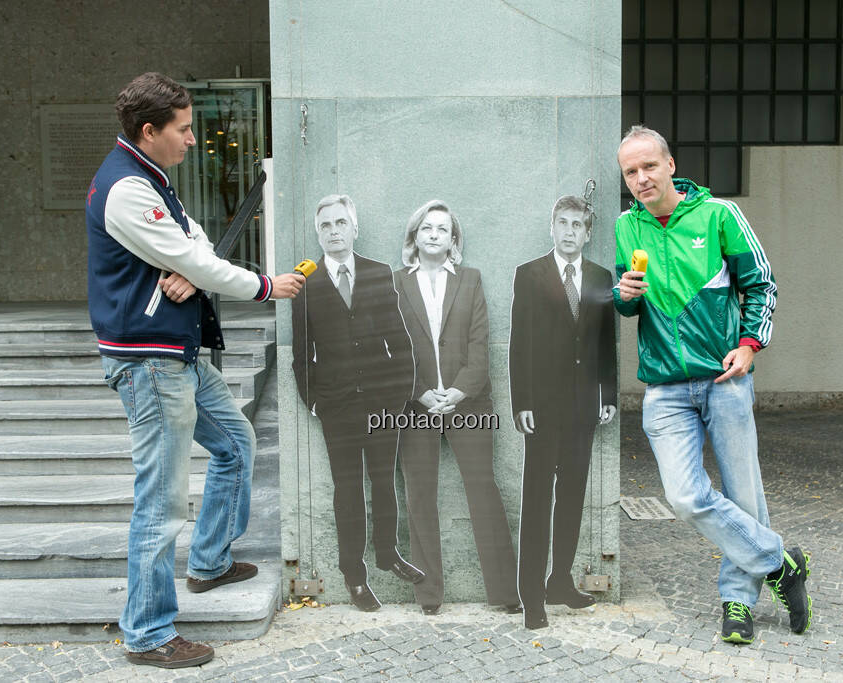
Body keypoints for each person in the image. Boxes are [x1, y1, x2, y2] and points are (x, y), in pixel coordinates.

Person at [86, 72, 305, 668]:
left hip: (176, 352)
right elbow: (191, 253)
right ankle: (149, 633)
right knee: (159, 503)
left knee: (236, 440)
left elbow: (194, 244)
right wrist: (263, 286)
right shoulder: (127, 189)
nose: (191, 140)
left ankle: (208, 561)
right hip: (151, 362)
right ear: (149, 131)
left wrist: (192, 267)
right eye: (183, 130)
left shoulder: (152, 181)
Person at [614, 125, 812, 645]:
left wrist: (749, 346)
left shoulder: (718, 215)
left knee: (743, 495)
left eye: (648, 166)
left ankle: (737, 603)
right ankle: (781, 562)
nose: (640, 178)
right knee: (683, 496)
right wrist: (624, 293)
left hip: (724, 379)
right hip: (664, 386)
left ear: (670, 165)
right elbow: (628, 303)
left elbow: (761, 283)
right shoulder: (625, 228)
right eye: (630, 172)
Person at [291, 194, 424, 612]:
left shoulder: (378, 273)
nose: (334, 231)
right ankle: (355, 574)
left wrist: (402, 392)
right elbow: (300, 352)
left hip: (384, 402)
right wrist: (314, 401)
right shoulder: (305, 284)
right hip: (337, 405)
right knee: (347, 490)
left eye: (340, 223)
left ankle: (388, 554)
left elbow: (398, 337)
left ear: (354, 228)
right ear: (319, 233)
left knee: (384, 482)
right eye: (326, 225)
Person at [393, 200, 520, 616]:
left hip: (469, 402)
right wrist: (422, 391)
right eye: (426, 228)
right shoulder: (395, 284)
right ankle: (429, 595)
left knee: (483, 490)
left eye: (442, 229)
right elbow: (393, 351)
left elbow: (480, 347)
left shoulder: (471, 280)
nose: (433, 234)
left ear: (453, 239)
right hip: (414, 406)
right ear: (415, 236)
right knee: (419, 496)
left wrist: (458, 393)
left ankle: (505, 592)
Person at [508, 195, 617, 629]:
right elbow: (520, 344)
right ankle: (531, 595)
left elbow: (604, 341)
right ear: (552, 227)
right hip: (543, 408)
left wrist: (607, 392)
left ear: (588, 233)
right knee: (537, 500)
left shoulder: (600, 277)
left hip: (583, 407)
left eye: (578, 225)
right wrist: (522, 403)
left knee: (572, 497)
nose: (570, 231)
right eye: (563, 223)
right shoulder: (530, 275)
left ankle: (560, 581)